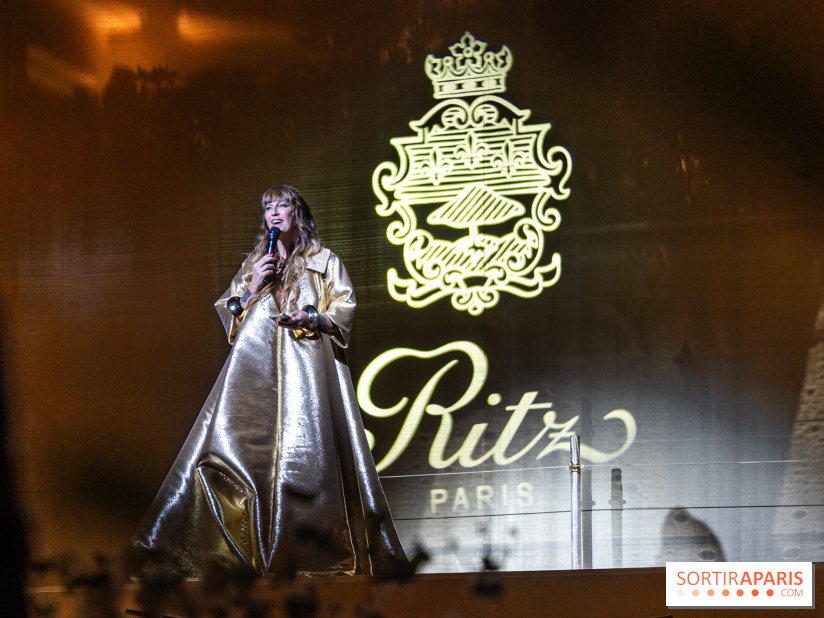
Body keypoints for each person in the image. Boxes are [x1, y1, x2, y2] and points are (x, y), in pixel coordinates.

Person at [133, 185, 407, 578]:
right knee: (235, 453)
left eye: (282, 205)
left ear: (299, 213)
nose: (274, 213)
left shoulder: (324, 261)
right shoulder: (255, 263)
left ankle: (306, 553)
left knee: (306, 459)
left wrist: (310, 318)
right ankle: (217, 555)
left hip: (305, 373)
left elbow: (343, 312)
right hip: (253, 373)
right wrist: (252, 288)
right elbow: (231, 312)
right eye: (267, 207)